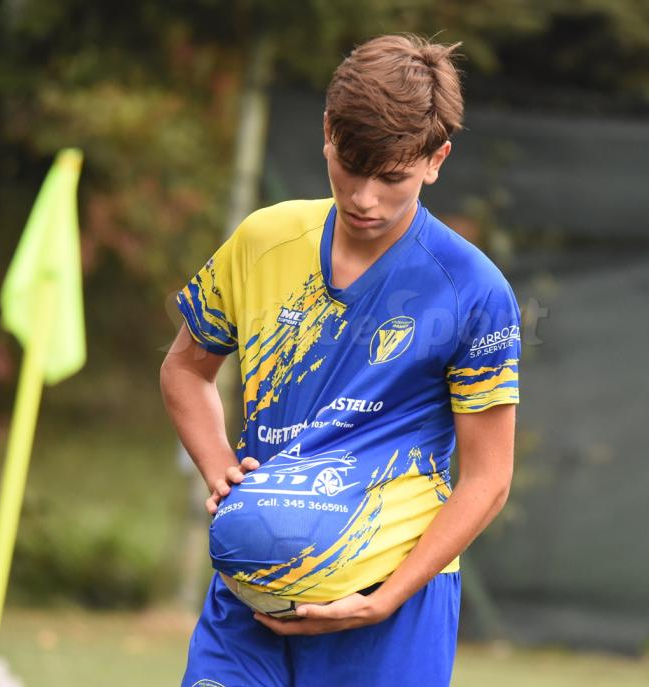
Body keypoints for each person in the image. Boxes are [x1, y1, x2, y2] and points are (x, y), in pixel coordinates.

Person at [160, 33, 520, 687]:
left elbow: (488, 479)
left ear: (436, 160)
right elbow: (185, 368)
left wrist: (385, 600)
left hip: (390, 613)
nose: (364, 198)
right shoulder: (264, 240)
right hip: (248, 600)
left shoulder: (473, 289)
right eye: (352, 166)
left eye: (392, 178)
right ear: (328, 132)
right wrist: (220, 471)